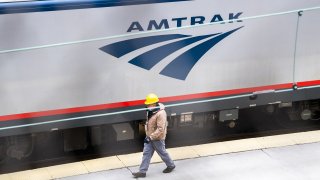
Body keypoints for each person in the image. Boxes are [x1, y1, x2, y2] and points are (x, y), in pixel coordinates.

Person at [132, 93, 175, 178]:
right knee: (146, 154)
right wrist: (148, 136)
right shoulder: (151, 111)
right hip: (149, 137)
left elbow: (160, 129)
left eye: (148, 104)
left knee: (162, 153)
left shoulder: (161, 113)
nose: (147, 105)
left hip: (158, 138)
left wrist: (151, 137)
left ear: (153, 104)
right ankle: (142, 172)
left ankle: (171, 165)